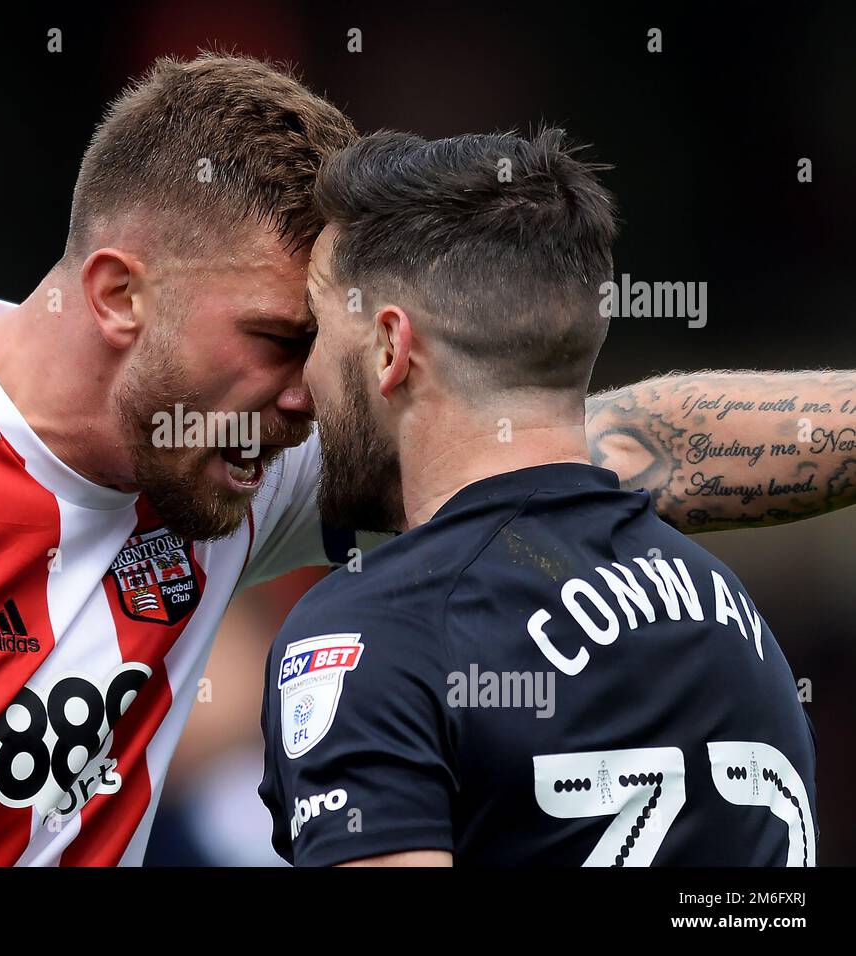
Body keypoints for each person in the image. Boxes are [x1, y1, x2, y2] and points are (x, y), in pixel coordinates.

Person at [0, 56, 843, 867]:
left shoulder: (237, 456)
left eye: (325, 346)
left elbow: (608, 436)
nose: (309, 396)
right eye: (279, 339)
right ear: (119, 292)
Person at [259, 129, 818, 866]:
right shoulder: (732, 616)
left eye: (316, 331)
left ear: (391, 348)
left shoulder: (370, 634)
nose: (300, 386)